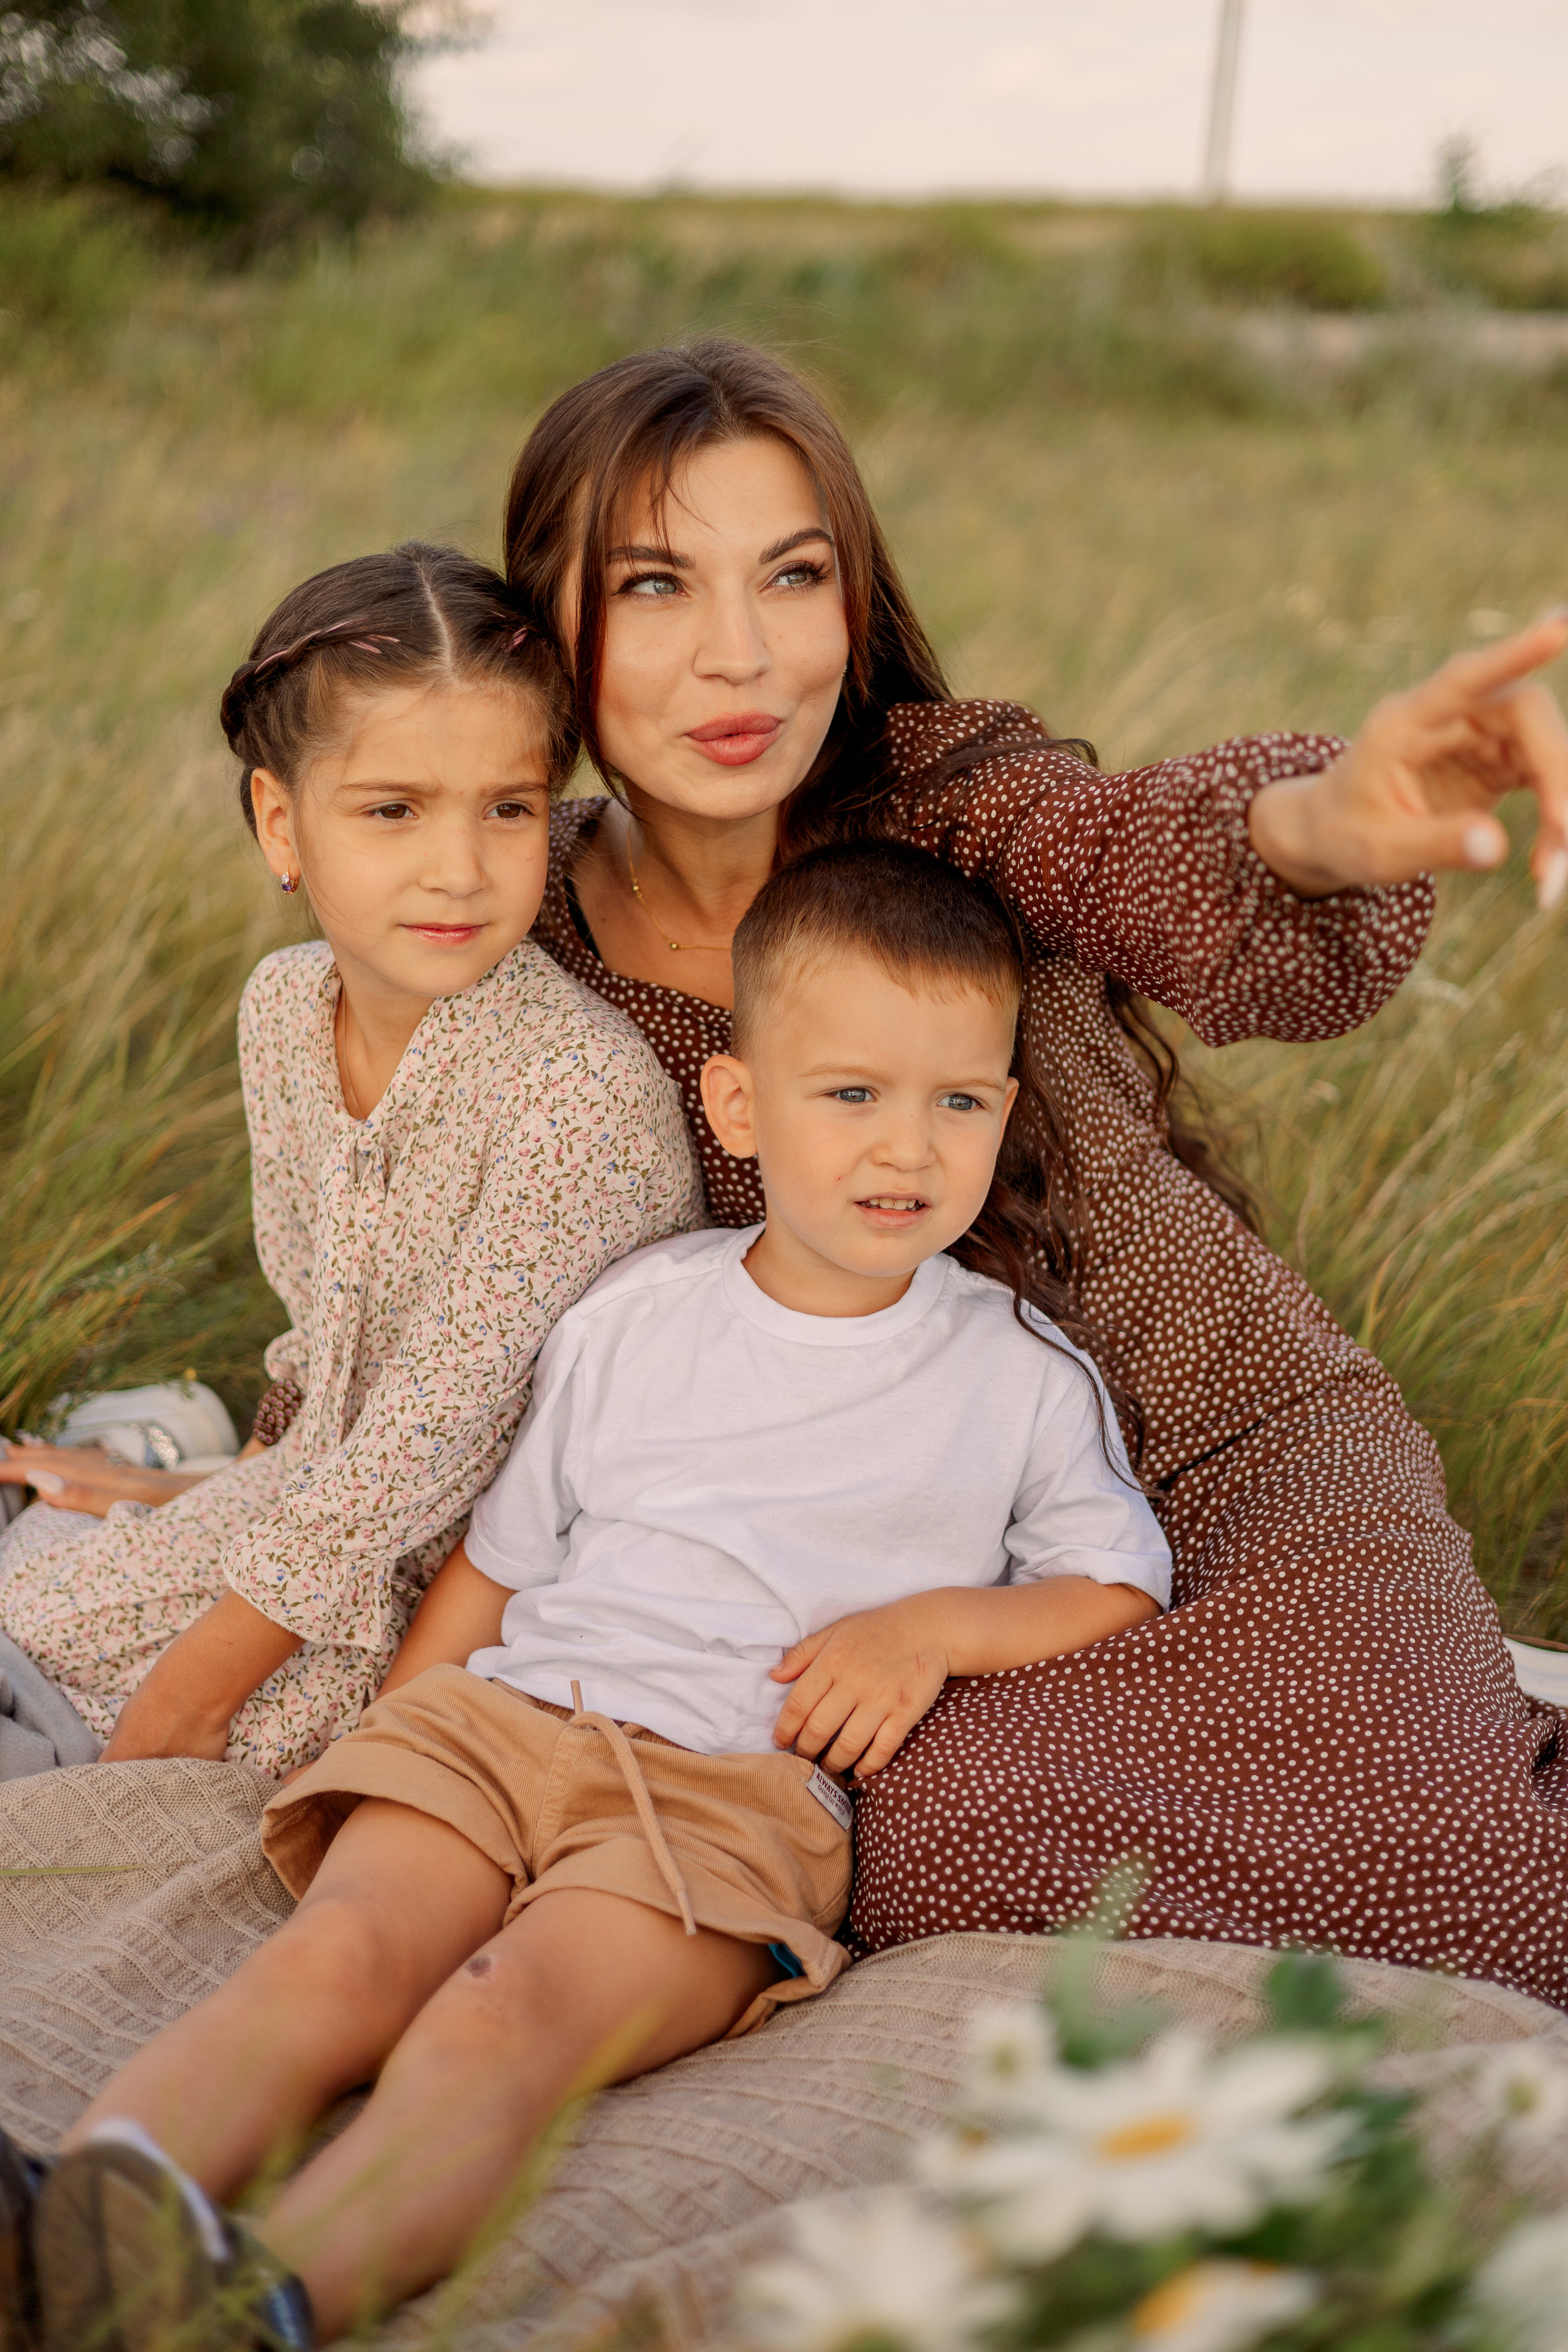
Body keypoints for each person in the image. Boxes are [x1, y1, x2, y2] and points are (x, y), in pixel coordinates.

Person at [491, 336, 1568, 2003]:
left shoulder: (953, 802)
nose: (739, 655)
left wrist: (1327, 825)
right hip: (894, 1573)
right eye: (654, 585)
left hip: (1231, 1463)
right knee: (938, 1850)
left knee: (1453, 1881)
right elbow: (475, 1292)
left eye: (795, 577)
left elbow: (1144, 855)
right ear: (547, 628)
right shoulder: (523, 933)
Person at [4, 842, 1170, 2351]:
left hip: (719, 1801)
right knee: (344, 1955)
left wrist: (931, 1628)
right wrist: (406, 1724)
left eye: (956, 1101)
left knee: (498, 2016)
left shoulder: (1012, 1373)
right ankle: (96, 2206)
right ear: (739, 1105)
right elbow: (505, 1555)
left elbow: (1114, 1582)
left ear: (1003, 1116)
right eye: (850, 1095)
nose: (904, 1148)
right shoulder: (638, 1313)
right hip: (506, 1726)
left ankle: (258, 2305)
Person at [0, 544, 700, 1776]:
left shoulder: (575, 1095)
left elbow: (427, 1450)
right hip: (323, 1507)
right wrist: (202, 1497)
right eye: (392, 809)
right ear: (282, 823)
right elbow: (323, 1346)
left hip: (479, 1575)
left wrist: (190, 1697)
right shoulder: (283, 1007)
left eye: (509, 808)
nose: (460, 868)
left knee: (95, 1702)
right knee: (40, 1575)